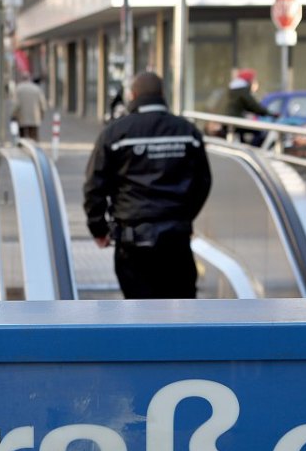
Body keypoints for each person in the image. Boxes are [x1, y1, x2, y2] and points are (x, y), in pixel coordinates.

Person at [83, 72, 212, 300]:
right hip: (176, 241)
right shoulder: (187, 132)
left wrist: (99, 229)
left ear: (132, 95)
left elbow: (95, 186)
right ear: (162, 94)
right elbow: (203, 182)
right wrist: (185, 217)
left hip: (132, 244)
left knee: (139, 314)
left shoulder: (114, 134)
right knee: (182, 312)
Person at [11, 75, 47, 141]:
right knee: (33, 137)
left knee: (22, 137)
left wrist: (14, 115)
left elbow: (16, 104)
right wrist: (42, 115)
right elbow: (43, 104)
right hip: (34, 117)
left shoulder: (18, 89)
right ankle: (34, 149)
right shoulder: (36, 89)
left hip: (22, 117)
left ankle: (23, 149)